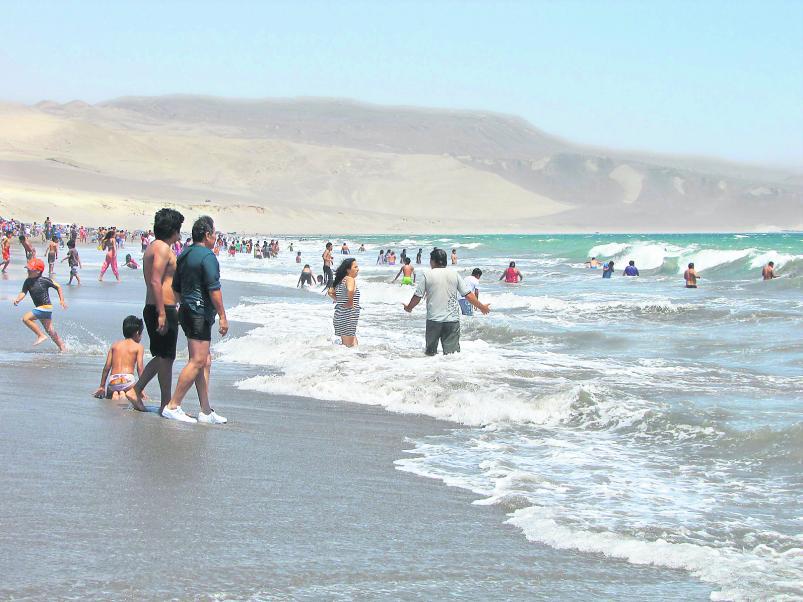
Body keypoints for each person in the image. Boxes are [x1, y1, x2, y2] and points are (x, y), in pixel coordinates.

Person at [162, 216, 228, 424]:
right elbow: (214, 289)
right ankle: (173, 405)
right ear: (207, 235)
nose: (216, 237)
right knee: (198, 360)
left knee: (205, 360)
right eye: (214, 233)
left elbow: (176, 287)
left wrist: (188, 304)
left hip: (188, 311)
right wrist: (223, 316)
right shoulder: (207, 257)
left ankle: (206, 411)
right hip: (199, 312)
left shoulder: (184, 254)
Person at [126, 208, 184, 414]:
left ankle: (165, 403)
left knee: (165, 356)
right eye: (179, 229)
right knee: (164, 357)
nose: (180, 233)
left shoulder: (154, 246)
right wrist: (161, 312)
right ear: (173, 229)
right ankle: (137, 390)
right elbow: (155, 280)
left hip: (156, 306)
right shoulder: (161, 248)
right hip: (162, 308)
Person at [403, 249, 490, 355]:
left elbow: (417, 296)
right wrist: (481, 307)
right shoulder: (454, 274)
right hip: (452, 320)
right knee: (452, 356)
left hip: (433, 320)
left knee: (430, 354)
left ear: (433, 261)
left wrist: (409, 308)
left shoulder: (428, 275)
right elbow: (468, 295)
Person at [13, 258, 67, 351]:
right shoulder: (27, 281)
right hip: (40, 308)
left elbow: (58, 286)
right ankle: (63, 347)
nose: (28, 271)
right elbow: (23, 292)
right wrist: (18, 299)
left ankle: (41, 335)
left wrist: (62, 300)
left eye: (30, 270)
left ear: (38, 271)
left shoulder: (44, 280)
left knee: (26, 318)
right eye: (27, 269)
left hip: (45, 307)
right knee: (50, 330)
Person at [93, 316, 146, 404]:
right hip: (128, 380)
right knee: (128, 393)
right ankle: (123, 394)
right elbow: (140, 368)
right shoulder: (138, 347)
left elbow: (107, 367)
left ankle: (116, 394)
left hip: (113, 380)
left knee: (113, 393)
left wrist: (102, 386)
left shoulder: (115, 345)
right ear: (137, 333)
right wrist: (142, 389)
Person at [328, 258, 361, 347]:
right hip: (348, 316)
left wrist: (339, 300)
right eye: (355, 267)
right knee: (349, 347)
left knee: (353, 346)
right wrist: (350, 302)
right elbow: (350, 290)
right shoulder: (350, 279)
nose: (358, 269)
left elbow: (330, 292)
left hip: (341, 315)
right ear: (348, 270)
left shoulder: (341, 280)